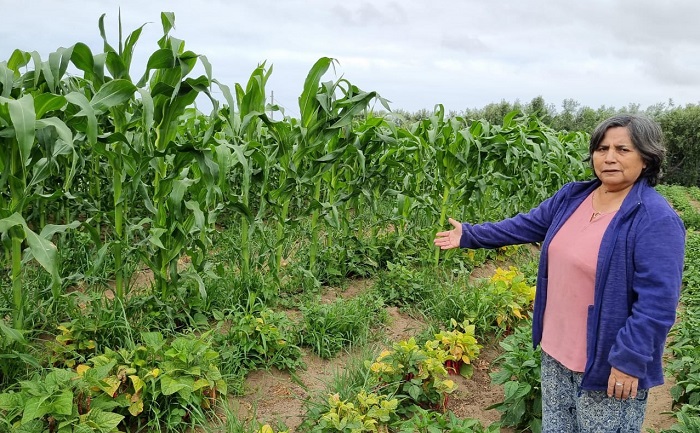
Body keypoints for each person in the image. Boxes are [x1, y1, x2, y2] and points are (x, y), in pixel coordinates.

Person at [433, 114, 686, 433]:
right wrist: (470, 235)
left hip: (606, 364)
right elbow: (525, 225)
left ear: (647, 158)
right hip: (556, 350)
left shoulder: (654, 219)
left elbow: (657, 305)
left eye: (623, 149)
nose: (609, 157)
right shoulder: (573, 197)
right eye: (602, 148)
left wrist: (629, 361)